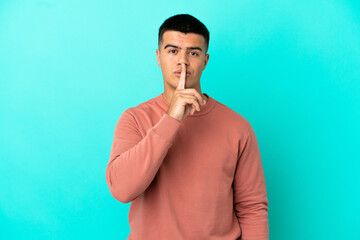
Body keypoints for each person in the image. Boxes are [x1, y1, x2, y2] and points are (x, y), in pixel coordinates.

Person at [105, 13, 269, 240]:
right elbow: (122, 190)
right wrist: (171, 118)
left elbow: (252, 208)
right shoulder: (134, 119)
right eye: (173, 51)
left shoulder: (238, 127)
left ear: (205, 60)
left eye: (193, 53)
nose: (183, 61)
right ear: (158, 57)